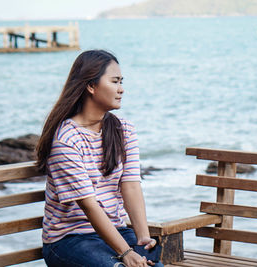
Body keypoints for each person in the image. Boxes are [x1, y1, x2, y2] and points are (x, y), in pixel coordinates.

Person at [36, 50, 163, 267]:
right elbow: (89, 206)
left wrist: (143, 239)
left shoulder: (124, 130)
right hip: (69, 240)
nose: (121, 89)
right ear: (91, 86)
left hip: (116, 230)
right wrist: (125, 253)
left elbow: (130, 185)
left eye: (121, 81)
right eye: (115, 81)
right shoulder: (67, 139)